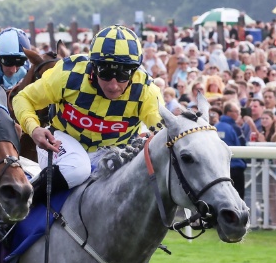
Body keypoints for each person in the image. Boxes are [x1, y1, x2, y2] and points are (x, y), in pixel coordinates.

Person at [10, 25, 164, 225]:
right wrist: (34, 128)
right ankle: (17, 207)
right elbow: (22, 98)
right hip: (61, 141)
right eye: (106, 73)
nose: (114, 84)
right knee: (78, 168)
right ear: (93, 66)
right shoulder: (68, 73)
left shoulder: (147, 91)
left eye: (123, 74)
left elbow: (163, 129)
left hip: (111, 151)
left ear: (134, 71)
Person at [215, 102, 247, 198]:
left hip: (218, 169)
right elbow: (243, 146)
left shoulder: (215, 127)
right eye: (237, 112)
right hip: (235, 168)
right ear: (229, 112)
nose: (238, 114)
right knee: (237, 200)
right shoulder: (235, 128)